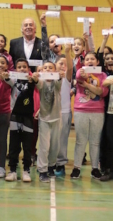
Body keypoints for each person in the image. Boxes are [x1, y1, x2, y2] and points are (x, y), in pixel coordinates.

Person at [70, 52, 108, 179]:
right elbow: (79, 77)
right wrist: (83, 76)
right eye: (87, 59)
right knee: (81, 140)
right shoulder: (81, 71)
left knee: (95, 141)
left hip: (98, 111)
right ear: (84, 62)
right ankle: (76, 168)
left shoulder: (103, 75)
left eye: (93, 59)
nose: (90, 61)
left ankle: (95, 169)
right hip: (81, 110)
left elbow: (101, 92)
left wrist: (86, 85)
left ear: (97, 62)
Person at [32, 61, 64, 182]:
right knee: (44, 146)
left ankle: (51, 166)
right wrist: (35, 78)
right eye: (45, 68)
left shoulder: (56, 82)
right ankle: (42, 170)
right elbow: (38, 84)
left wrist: (60, 76)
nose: (48, 69)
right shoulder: (41, 82)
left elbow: (59, 84)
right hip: (44, 118)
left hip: (56, 118)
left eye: (51, 67)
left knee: (55, 146)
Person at [4, 58, 35, 182]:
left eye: (24, 67)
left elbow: (36, 81)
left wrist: (35, 77)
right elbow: (7, 79)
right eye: (19, 67)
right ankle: (12, 170)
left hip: (28, 117)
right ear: (15, 69)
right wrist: (5, 76)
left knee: (27, 146)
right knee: (14, 145)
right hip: (15, 117)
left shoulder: (31, 81)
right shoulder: (14, 80)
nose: (22, 69)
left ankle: (26, 170)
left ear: (28, 69)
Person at [53, 45, 73, 177]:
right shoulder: (49, 76)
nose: (63, 66)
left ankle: (60, 164)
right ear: (55, 65)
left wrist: (67, 52)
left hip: (64, 113)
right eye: (61, 63)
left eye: (65, 64)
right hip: (49, 113)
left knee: (62, 140)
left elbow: (70, 68)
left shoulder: (67, 78)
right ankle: (49, 163)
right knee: (50, 139)